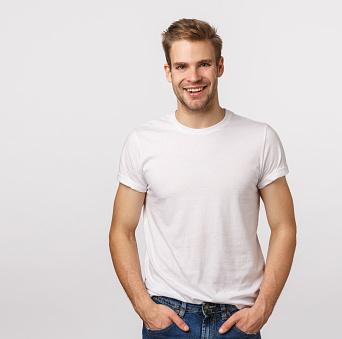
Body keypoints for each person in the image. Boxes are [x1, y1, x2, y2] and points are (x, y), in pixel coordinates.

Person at [109, 18, 297, 338]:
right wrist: (145, 307)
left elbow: (284, 227)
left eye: (203, 64)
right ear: (168, 72)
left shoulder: (260, 138)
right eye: (181, 66)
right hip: (169, 316)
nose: (193, 77)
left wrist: (263, 307)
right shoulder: (143, 142)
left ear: (220, 66)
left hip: (237, 318)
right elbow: (121, 230)